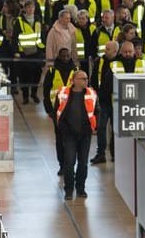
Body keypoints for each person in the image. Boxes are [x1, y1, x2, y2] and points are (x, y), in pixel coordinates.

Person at [54, 70, 99, 200]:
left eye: (86, 79)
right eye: (83, 79)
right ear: (74, 81)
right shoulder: (63, 94)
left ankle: (81, 188)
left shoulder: (91, 94)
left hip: (85, 134)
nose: (86, 81)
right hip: (69, 135)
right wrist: (62, 130)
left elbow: (97, 111)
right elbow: (57, 112)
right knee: (69, 162)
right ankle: (68, 189)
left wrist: (94, 127)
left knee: (83, 162)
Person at [43, 47, 77, 175]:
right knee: (60, 140)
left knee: (71, 140)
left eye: (68, 56)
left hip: (72, 112)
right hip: (57, 112)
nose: (65, 59)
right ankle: (62, 165)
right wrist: (49, 110)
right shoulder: (51, 72)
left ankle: (70, 165)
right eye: (63, 56)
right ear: (59, 57)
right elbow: (46, 92)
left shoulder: (75, 71)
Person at [90, 40, 119, 164]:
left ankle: (115, 153)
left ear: (115, 51)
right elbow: (94, 79)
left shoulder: (119, 63)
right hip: (103, 101)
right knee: (101, 128)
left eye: (108, 49)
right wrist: (97, 93)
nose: (105, 51)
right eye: (105, 48)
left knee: (115, 129)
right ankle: (100, 154)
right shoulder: (100, 61)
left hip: (116, 101)